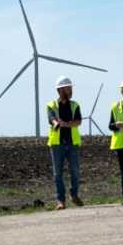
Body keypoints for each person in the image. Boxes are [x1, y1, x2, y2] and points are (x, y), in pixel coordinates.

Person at [46, 75, 84, 210]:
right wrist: (56, 123)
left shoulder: (75, 105)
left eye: (70, 88)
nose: (70, 90)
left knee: (75, 171)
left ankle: (74, 195)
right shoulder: (51, 105)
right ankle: (60, 201)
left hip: (72, 143)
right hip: (57, 144)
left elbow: (78, 121)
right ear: (60, 90)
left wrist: (66, 125)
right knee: (58, 174)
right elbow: (51, 118)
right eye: (68, 88)